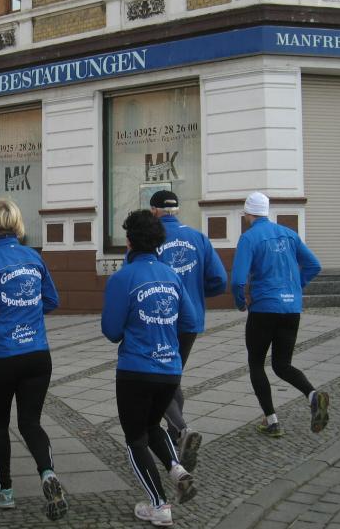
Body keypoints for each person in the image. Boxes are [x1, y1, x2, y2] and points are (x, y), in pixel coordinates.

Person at [0, 197, 68, 520]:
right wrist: (27, 308)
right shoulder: (34, 258)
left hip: (1, 356)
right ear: (18, 224)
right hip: (37, 355)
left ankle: (4, 490)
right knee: (31, 422)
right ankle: (47, 473)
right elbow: (51, 300)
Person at [102, 209, 199, 527]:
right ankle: (177, 470)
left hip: (136, 370)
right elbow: (190, 322)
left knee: (135, 438)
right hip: (169, 369)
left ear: (129, 241)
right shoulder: (171, 275)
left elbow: (111, 330)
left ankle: (159, 505)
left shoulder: (122, 278)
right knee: (153, 425)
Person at [230, 191, 329, 438]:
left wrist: (241, 303)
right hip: (291, 309)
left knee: (256, 363)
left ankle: (272, 421)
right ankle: (312, 395)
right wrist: (296, 287)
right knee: (282, 365)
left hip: (264, 309)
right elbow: (314, 265)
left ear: (247, 214)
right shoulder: (289, 234)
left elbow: (238, 280)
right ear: (266, 211)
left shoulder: (249, 238)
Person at [150, 190, 227, 472]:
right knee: (174, 376)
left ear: (154, 211)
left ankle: (181, 430)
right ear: (177, 210)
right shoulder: (198, 237)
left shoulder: (150, 239)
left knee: (159, 380)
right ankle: (175, 435)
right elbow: (219, 279)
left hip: (160, 320)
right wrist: (195, 294)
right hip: (190, 320)